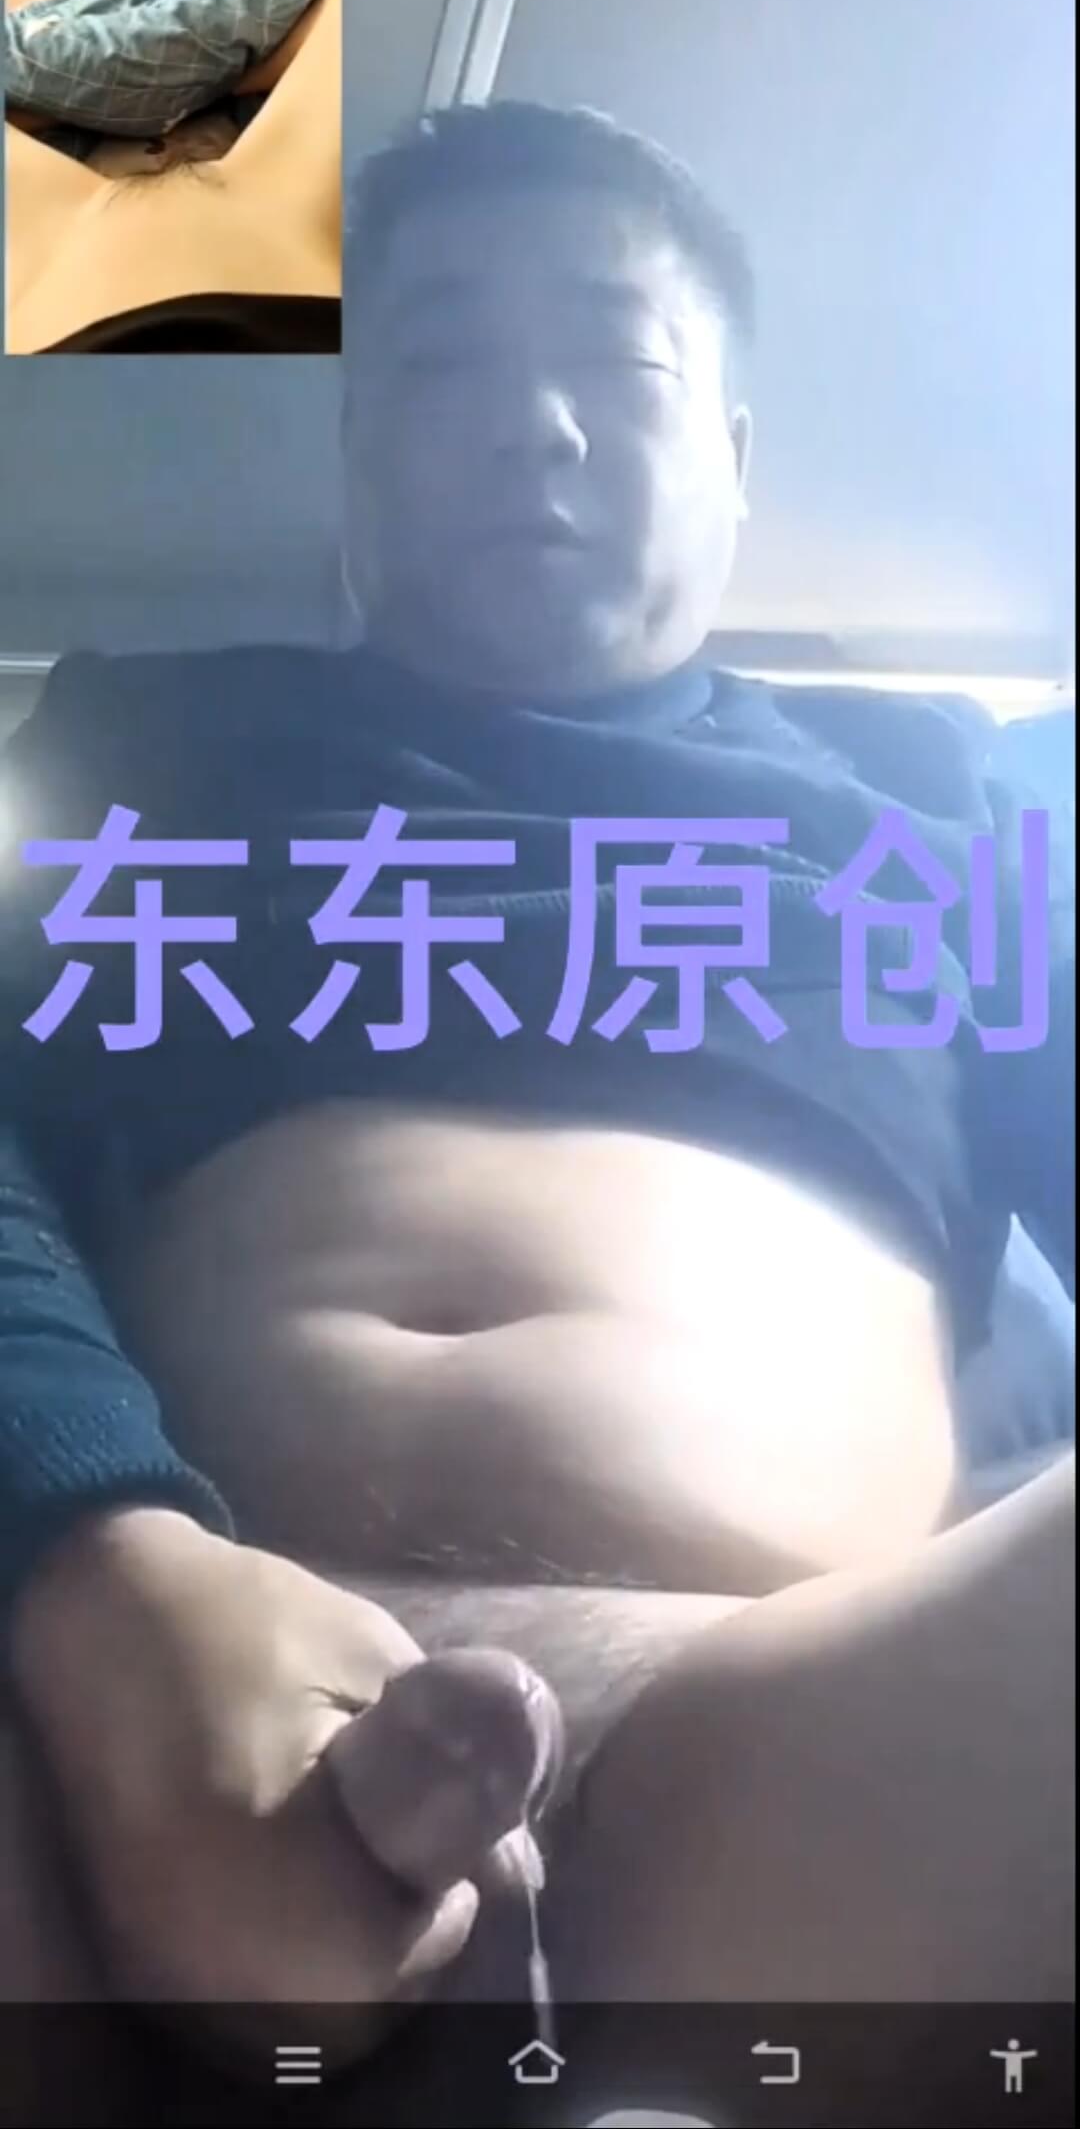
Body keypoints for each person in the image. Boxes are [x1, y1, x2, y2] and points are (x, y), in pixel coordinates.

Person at [0, 104, 1073, 2109]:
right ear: (356, 462)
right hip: (121, 1735)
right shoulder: (147, 748)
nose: (533, 428)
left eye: (613, 360)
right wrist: (95, 1569)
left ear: (734, 456)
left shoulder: (938, 809)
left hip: (816, 1754)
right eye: (437, 368)